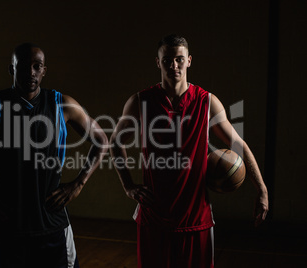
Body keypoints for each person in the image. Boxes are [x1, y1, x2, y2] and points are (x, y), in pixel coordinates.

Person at [0, 43, 108, 268]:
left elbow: (102, 140)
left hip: (52, 225)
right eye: (24, 67)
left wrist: (79, 183)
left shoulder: (61, 104)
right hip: (6, 225)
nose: (31, 72)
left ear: (44, 70)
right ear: (12, 69)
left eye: (37, 66)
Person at [109, 34, 269, 268]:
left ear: (189, 60)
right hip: (154, 217)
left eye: (179, 59)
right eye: (167, 60)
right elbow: (115, 141)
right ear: (158, 62)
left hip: (196, 218)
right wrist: (128, 185)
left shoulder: (207, 101)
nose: (174, 65)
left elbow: (238, 144)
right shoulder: (140, 101)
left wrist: (262, 189)